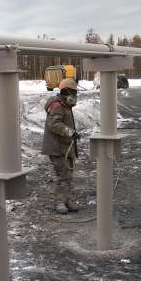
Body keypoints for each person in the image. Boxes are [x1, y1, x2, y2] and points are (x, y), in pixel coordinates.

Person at [41, 77, 81, 214]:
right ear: (65, 92)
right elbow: (54, 124)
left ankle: (65, 200)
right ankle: (59, 202)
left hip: (64, 147)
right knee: (63, 176)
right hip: (57, 148)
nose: (75, 96)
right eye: (73, 93)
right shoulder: (57, 106)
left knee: (67, 175)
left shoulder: (65, 105)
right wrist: (70, 132)